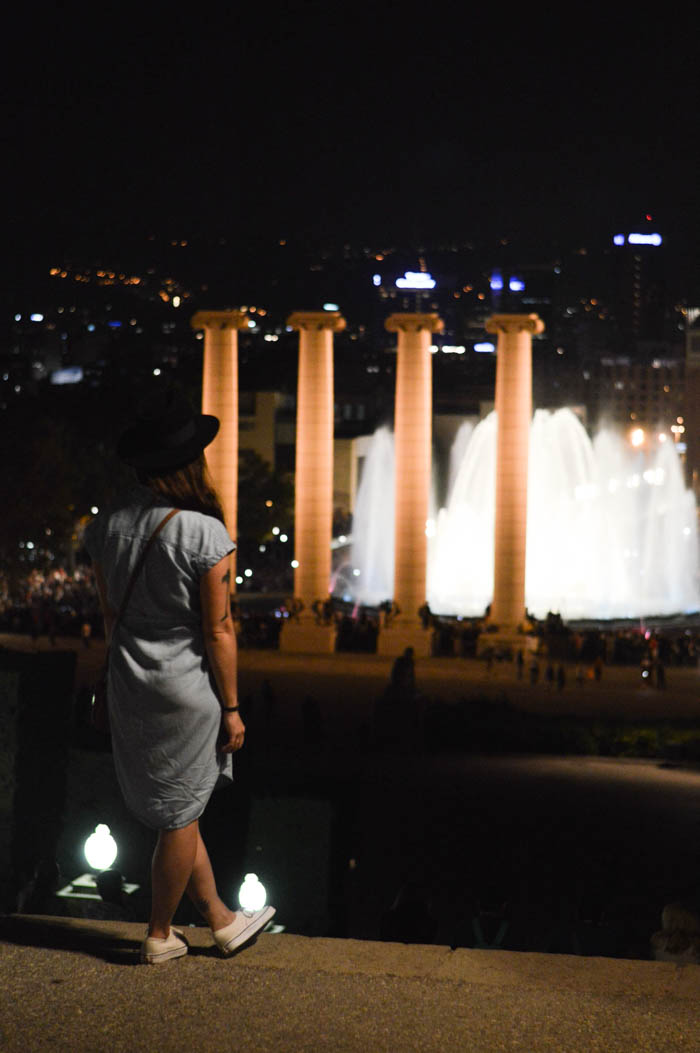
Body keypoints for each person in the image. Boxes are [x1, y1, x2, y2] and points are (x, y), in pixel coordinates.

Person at [84, 389, 275, 964]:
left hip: (129, 681)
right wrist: (234, 707)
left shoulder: (105, 528)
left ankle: (220, 920)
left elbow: (110, 620)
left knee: (177, 807)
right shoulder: (205, 534)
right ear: (193, 464)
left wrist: (102, 684)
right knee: (182, 812)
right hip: (187, 688)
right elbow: (218, 630)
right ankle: (161, 933)